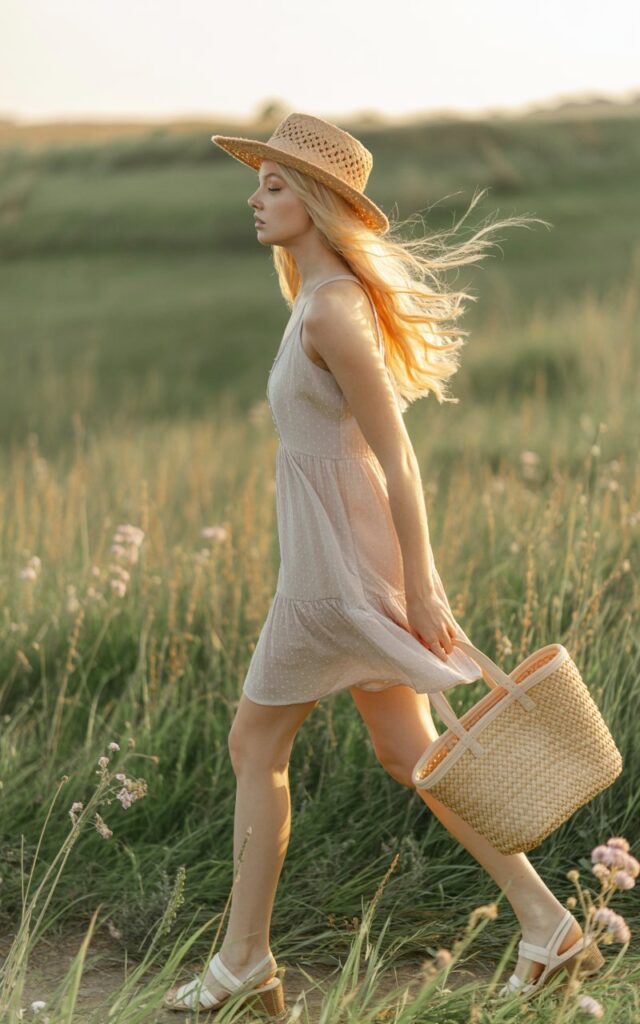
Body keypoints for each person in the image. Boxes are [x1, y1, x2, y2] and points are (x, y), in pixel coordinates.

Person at [164, 112, 591, 1015]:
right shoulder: (316, 301)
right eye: (259, 183)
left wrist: (421, 585)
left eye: (275, 185)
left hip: (334, 583)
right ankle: (549, 925)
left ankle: (243, 964)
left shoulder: (332, 309)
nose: (255, 199)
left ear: (317, 203)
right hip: (342, 569)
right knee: (408, 753)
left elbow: (396, 455)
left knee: (254, 744)